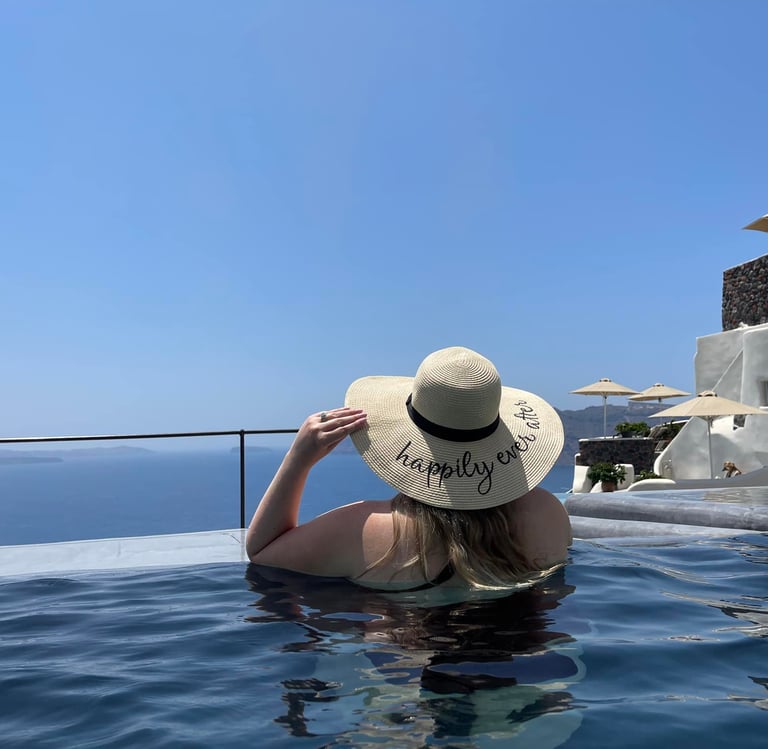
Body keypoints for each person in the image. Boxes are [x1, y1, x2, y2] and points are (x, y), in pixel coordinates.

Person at [246, 346, 572, 590]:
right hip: (537, 672)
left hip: (401, 678)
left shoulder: (361, 532)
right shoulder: (547, 513)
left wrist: (298, 459)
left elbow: (261, 553)